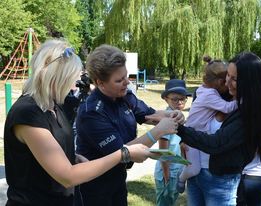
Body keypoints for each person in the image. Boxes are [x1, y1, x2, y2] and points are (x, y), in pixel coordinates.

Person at [3, 39, 164, 206]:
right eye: (72, 77)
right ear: (56, 77)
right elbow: (67, 176)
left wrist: (73, 156)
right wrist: (124, 153)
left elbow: (54, 150)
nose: (75, 84)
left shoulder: (54, 106)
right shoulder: (28, 114)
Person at [75, 44, 184, 206]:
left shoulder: (123, 95)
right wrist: (159, 131)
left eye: (126, 76)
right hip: (94, 187)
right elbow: (123, 153)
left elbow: (150, 114)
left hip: (117, 181)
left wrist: (172, 114)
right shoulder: (91, 113)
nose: (127, 82)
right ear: (100, 83)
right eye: (119, 80)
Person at [174, 52, 261, 205]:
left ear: (249, 82)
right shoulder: (217, 94)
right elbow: (197, 123)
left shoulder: (249, 112)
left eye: (234, 79)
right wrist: (184, 141)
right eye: (227, 76)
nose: (227, 82)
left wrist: (179, 130)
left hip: (219, 181)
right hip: (196, 174)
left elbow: (217, 143)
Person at [177, 60, 237, 195]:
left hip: (197, 135)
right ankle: (180, 179)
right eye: (227, 79)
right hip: (193, 136)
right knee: (194, 169)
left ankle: (183, 171)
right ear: (221, 82)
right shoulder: (209, 95)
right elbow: (227, 108)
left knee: (192, 165)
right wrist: (241, 100)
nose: (228, 83)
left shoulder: (203, 90)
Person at [154, 79, 191, 206]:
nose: (179, 102)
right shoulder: (167, 120)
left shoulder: (180, 118)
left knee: (171, 200)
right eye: (175, 99)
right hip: (168, 171)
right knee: (165, 202)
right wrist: (166, 174)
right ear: (166, 98)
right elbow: (163, 151)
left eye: (182, 99)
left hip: (177, 169)